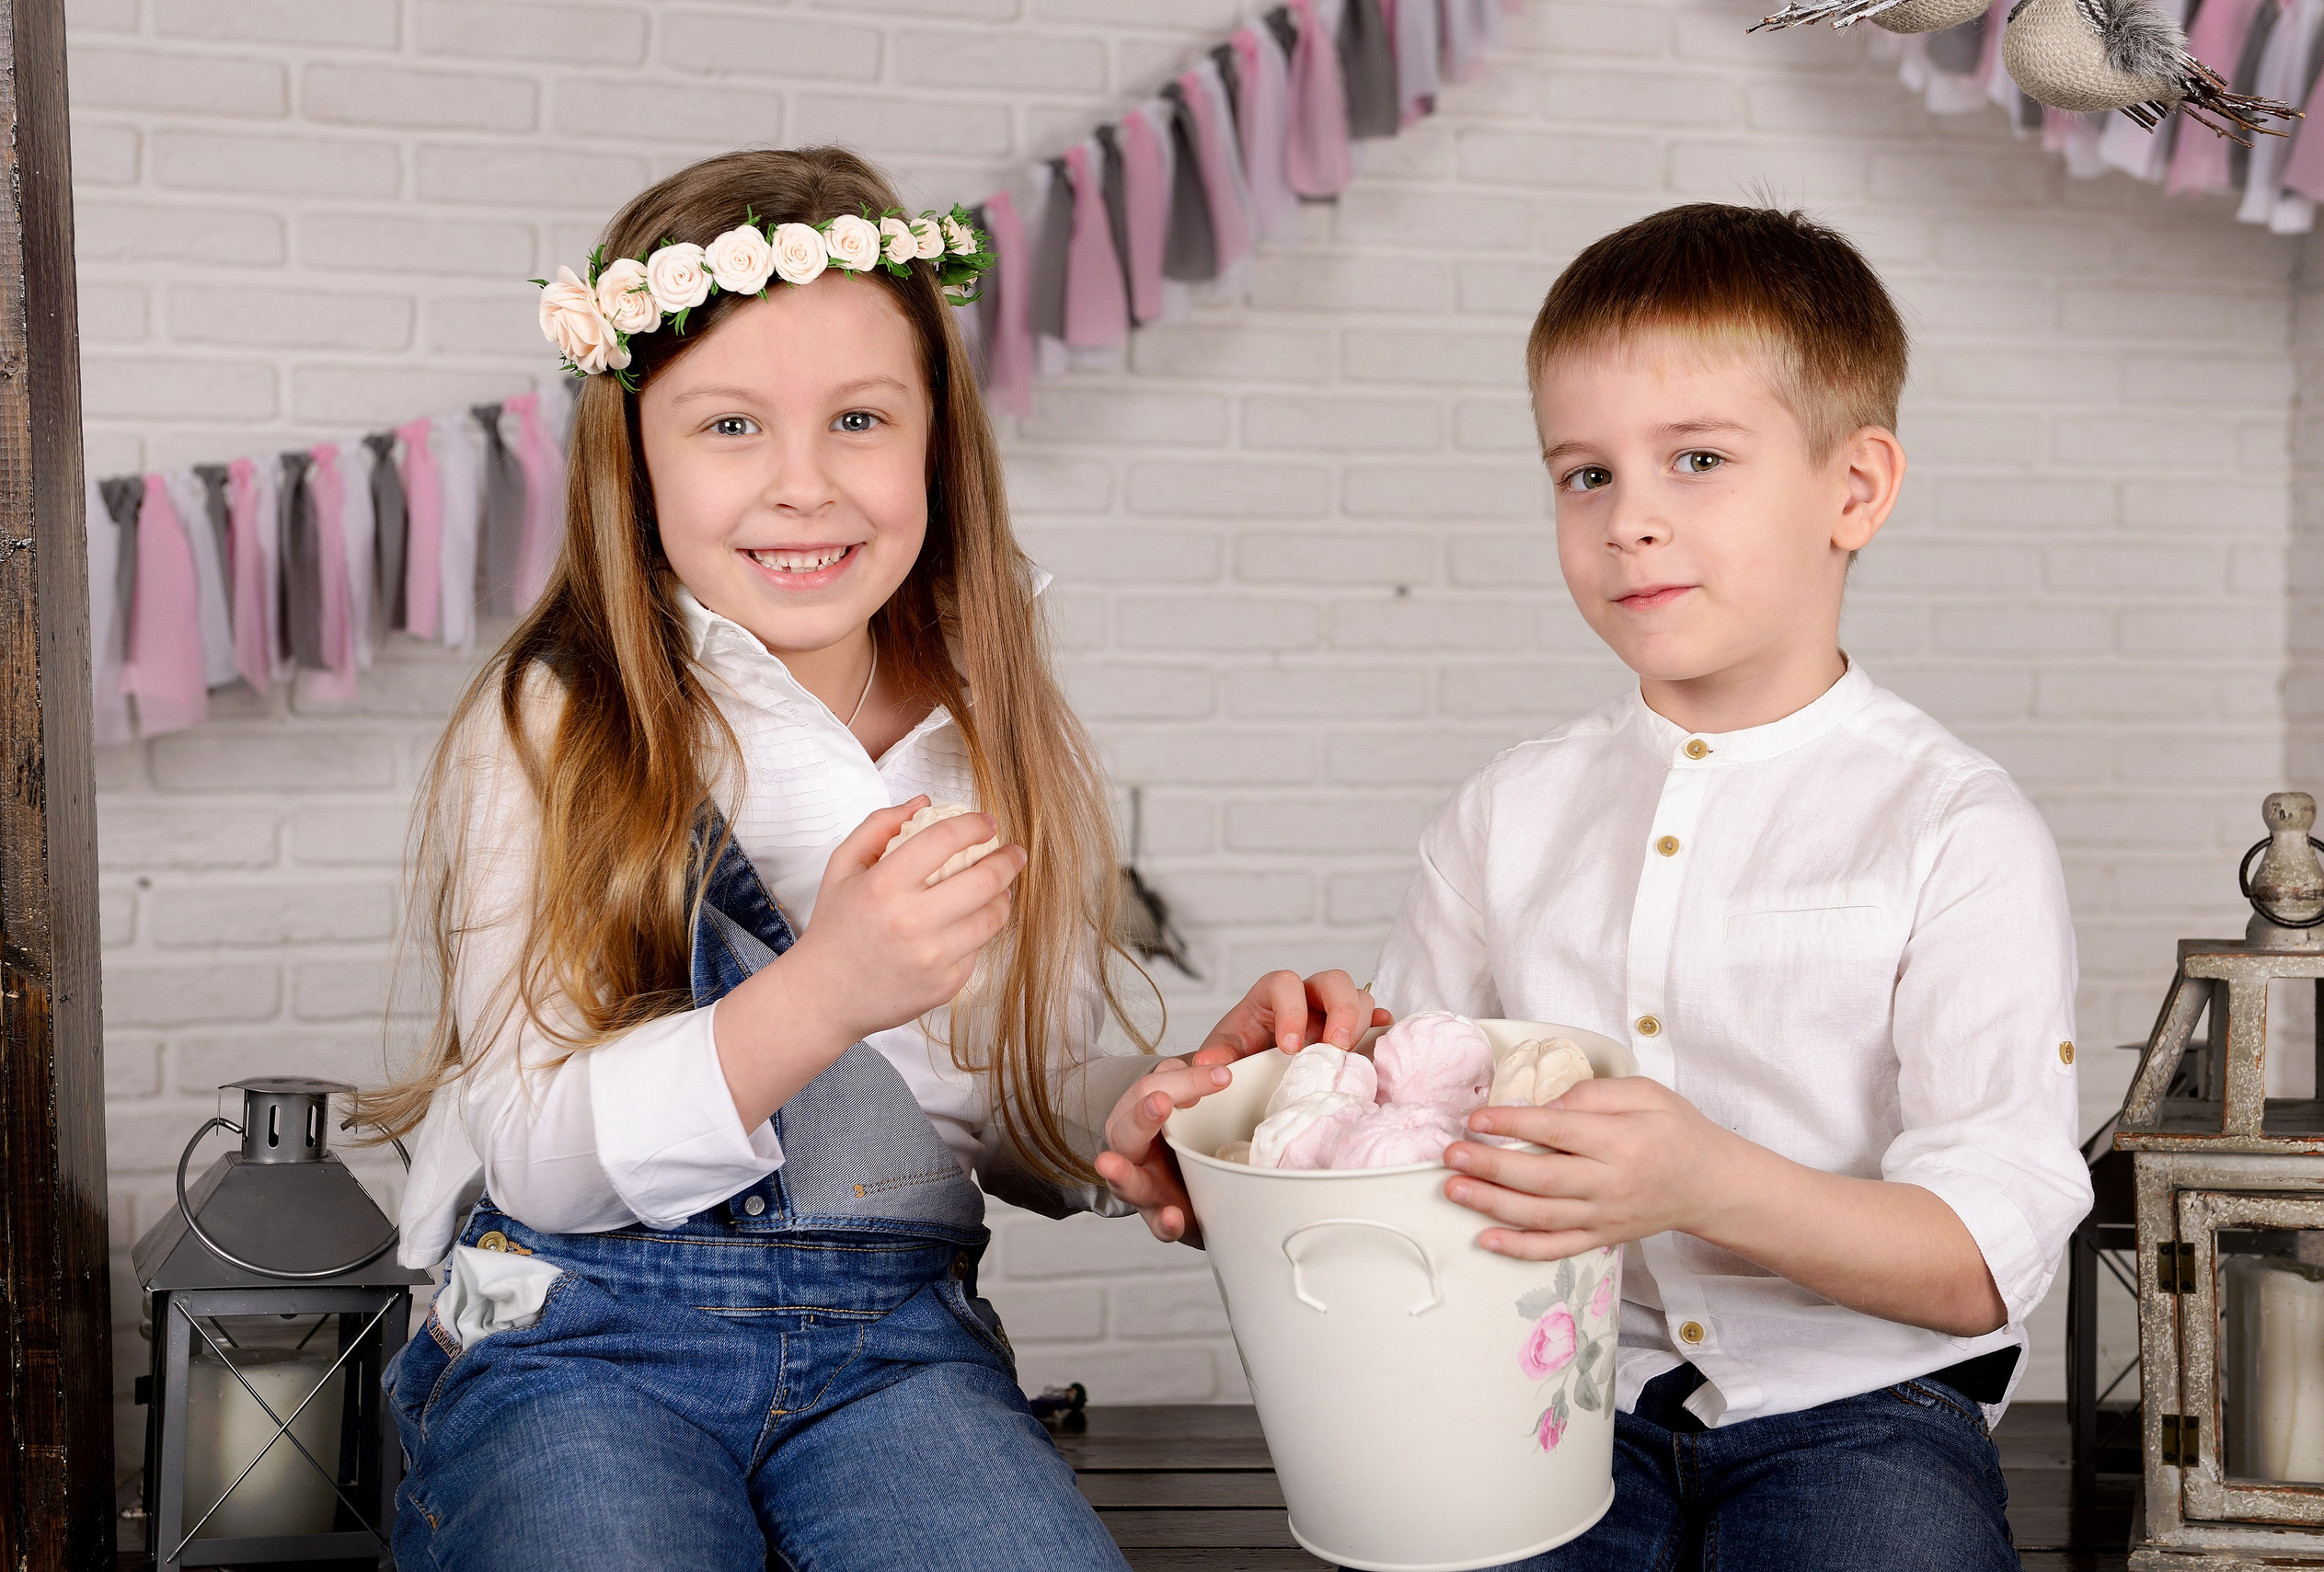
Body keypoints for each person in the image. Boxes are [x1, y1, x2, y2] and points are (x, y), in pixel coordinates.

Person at [358, 145, 1375, 1572]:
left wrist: (1155, 1108)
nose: (803, 485)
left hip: (890, 1349)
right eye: (729, 426)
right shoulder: (561, 721)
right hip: (579, 1338)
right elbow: (539, 1156)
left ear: (934, 442)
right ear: (630, 447)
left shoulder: (989, 729)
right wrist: (822, 991)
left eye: (857, 418)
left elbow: (1000, 1094)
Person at [1147, 204, 2093, 1570]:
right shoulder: (1504, 815)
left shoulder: (1956, 827)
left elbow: (1978, 1262)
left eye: (1697, 458)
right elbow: (1411, 1141)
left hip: (1860, 1405)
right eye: (1584, 474)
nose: (1631, 519)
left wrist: (1702, 1178)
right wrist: (1289, 1109)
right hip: (1547, 1381)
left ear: (1856, 489)